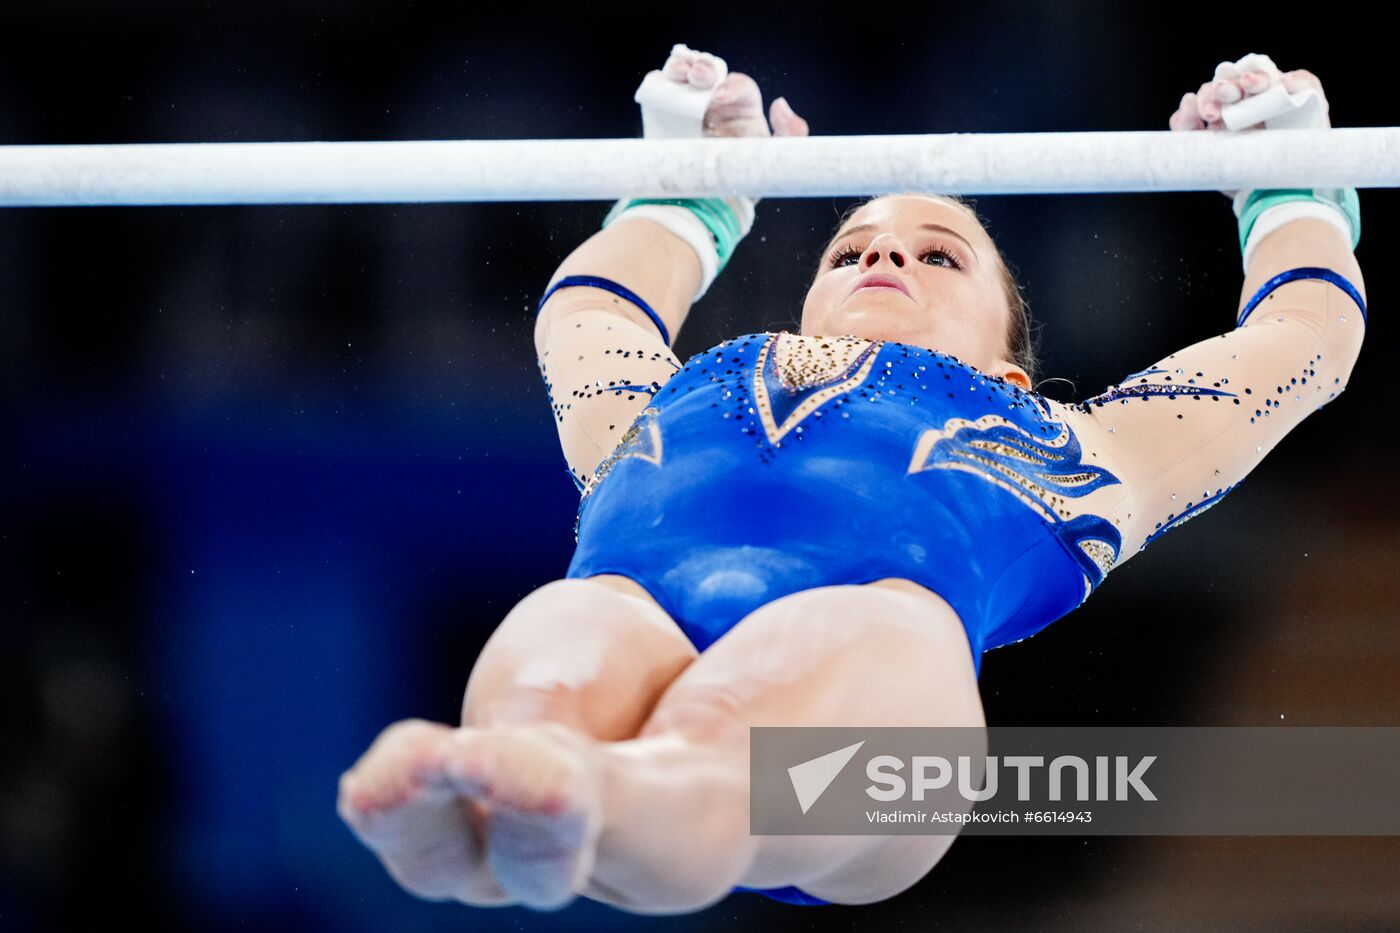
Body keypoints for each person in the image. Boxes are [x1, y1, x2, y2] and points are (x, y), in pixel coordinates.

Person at [336, 48, 1366, 913]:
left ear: (1006, 368)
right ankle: (519, 777)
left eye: (938, 256)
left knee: (823, 655)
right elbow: (591, 311)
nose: (884, 258)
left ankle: (594, 800)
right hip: (646, 646)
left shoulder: (1069, 453)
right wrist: (691, 197)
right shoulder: (672, 401)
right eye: (849, 249)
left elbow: (1303, 342)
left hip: (868, 731)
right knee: (580, 620)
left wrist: (1287, 188)